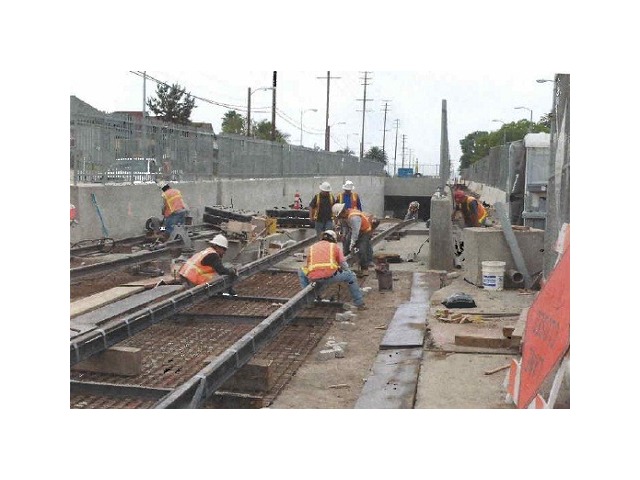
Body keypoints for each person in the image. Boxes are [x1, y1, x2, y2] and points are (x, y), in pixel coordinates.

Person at [298, 230, 367, 310]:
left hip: (314, 276)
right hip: (330, 276)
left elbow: (309, 264)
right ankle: (359, 303)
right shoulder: (334, 247)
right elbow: (343, 263)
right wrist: (347, 271)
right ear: (333, 239)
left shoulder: (312, 247)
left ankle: (309, 301)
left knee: (301, 271)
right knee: (351, 276)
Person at [332, 203, 374, 276]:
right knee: (346, 245)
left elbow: (355, 232)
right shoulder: (344, 217)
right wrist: (344, 235)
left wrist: (352, 243)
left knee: (362, 250)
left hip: (364, 231)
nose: (339, 218)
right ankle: (346, 265)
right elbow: (345, 227)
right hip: (353, 230)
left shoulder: (354, 217)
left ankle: (364, 268)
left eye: (339, 216)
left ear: (342, 212)